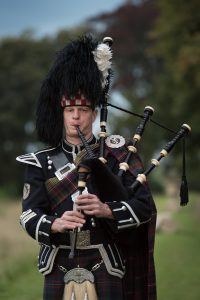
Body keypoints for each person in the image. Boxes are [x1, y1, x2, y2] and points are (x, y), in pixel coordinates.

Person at [17, 35, 157, 300]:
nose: (76, 117)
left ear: (94, 113)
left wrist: (106, 210)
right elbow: (28, 215)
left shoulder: (118, 154)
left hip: (106, 261)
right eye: (69, 109)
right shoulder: (40, 162)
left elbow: (144, 208)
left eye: (82, 108)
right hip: (57, 262)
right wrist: (55, 224)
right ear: (61, 112)